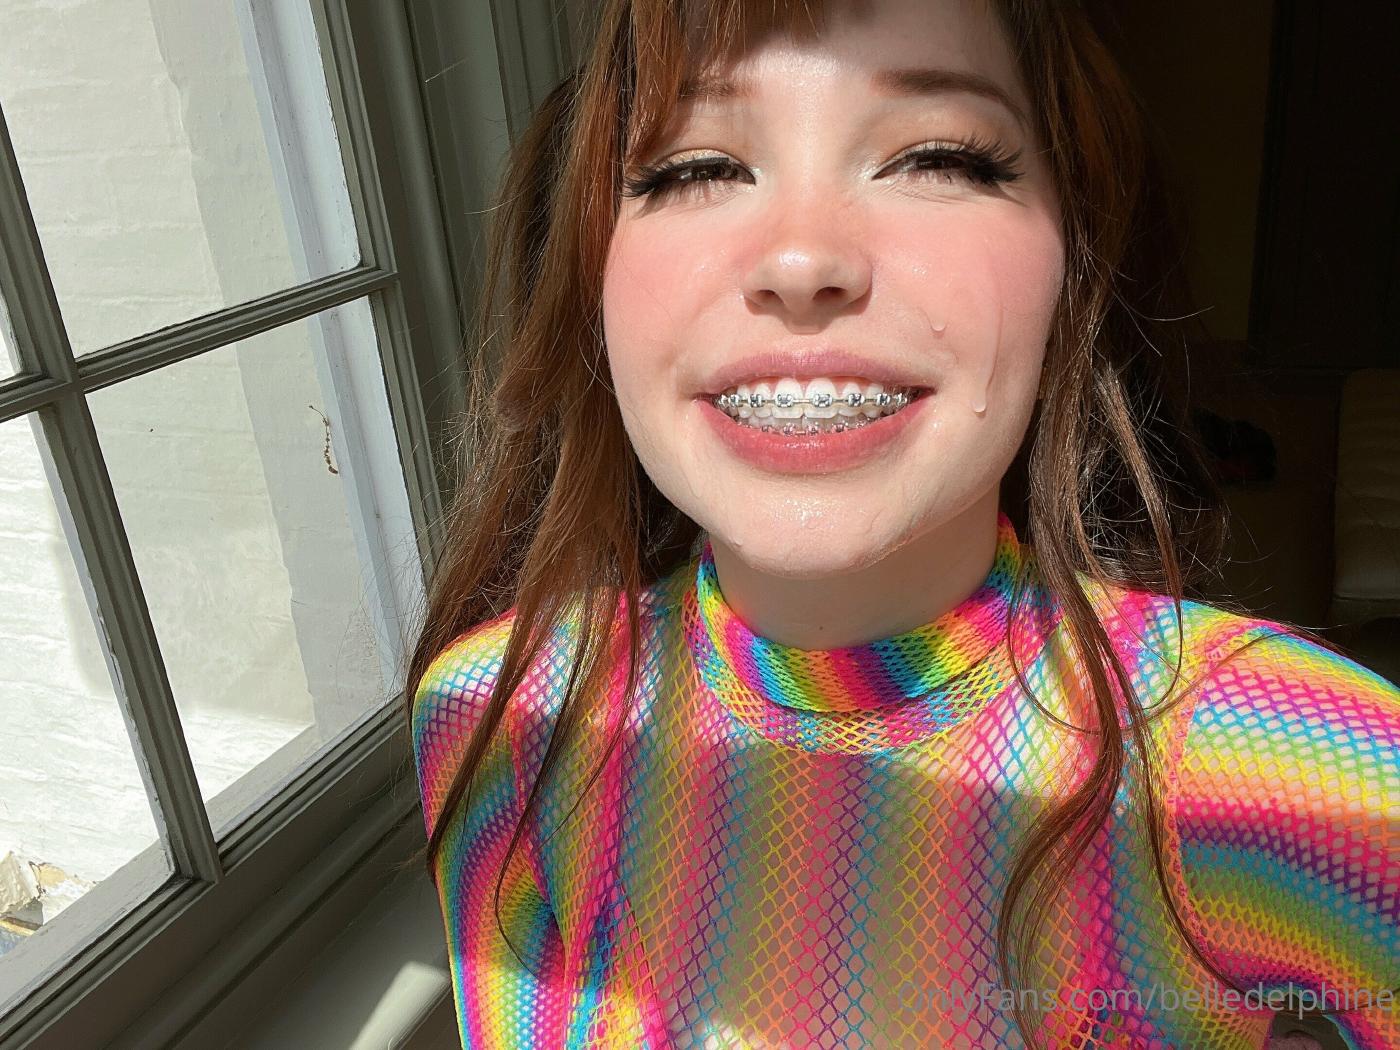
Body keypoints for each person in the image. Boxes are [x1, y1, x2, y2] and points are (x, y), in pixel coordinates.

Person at [404, 0, 1399, 1047]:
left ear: (1073, 256)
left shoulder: (1303, 764)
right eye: (693, 168)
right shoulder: (495, 712)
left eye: (938, 157)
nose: (801, 261)